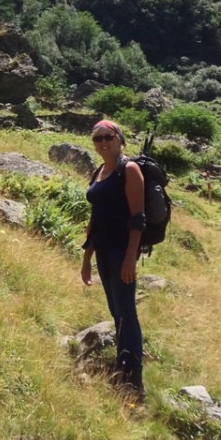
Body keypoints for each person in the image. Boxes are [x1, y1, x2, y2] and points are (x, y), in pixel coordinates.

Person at [80, 118, 146, 399]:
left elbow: (137, 219)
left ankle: (132, 381)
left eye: (108, 137)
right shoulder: (99, 172)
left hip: (122, 251)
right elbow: (96, 218)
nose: (103, 143)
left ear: (120, 139)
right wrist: (87, 257)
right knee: (115, 310)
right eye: (98, 138)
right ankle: (122, 363)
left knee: (127, 312)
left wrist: (131, 257)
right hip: (104, 251)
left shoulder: (128, 170)